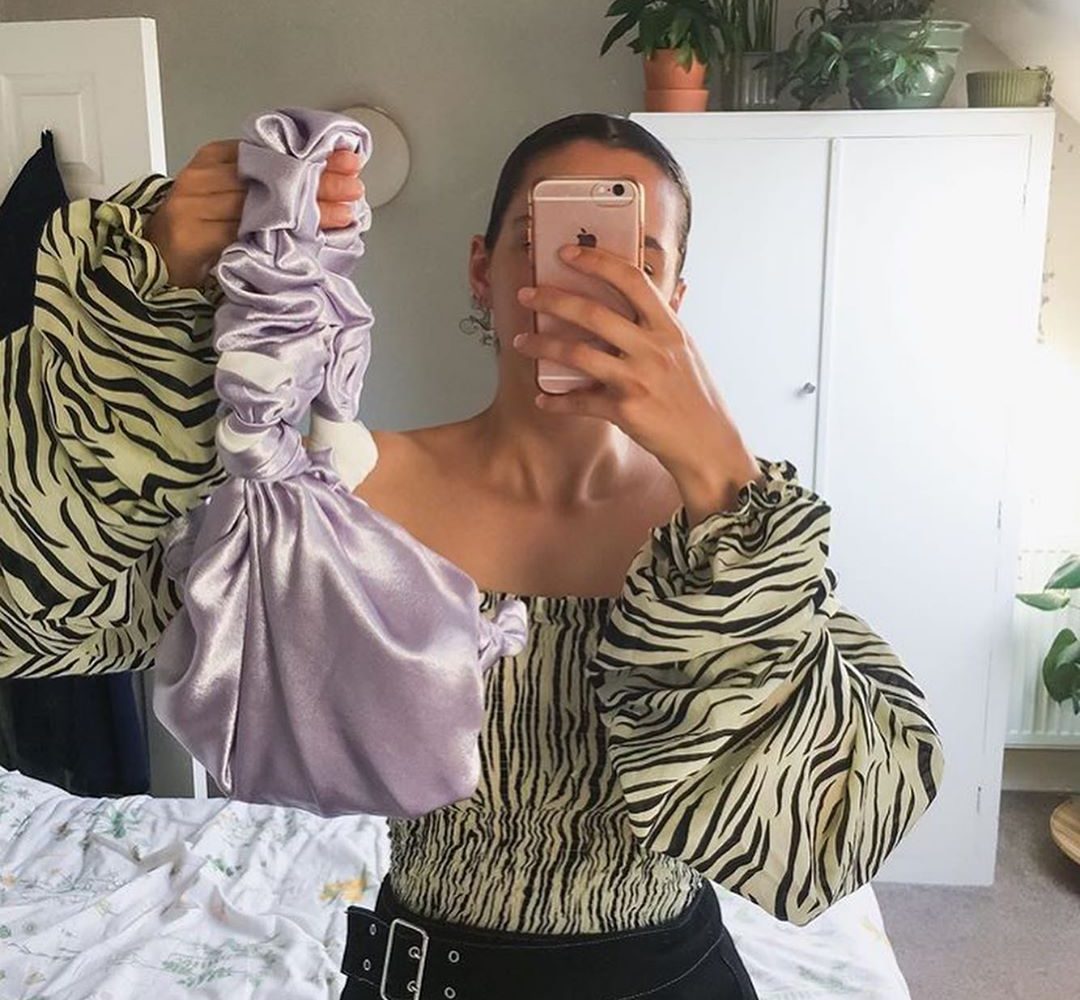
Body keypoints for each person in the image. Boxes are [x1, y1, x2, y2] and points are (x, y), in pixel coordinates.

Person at [0, 111, 944, 999]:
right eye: (546, 237)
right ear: (482, 271)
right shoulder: (350, 492)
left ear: (675, 302)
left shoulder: (727, 533)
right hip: (421, 971)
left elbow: (825, 835)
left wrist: (724, 475)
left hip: (674, 973)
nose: (586, 275)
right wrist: (145, 315)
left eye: (633, 254)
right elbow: (41, 615)